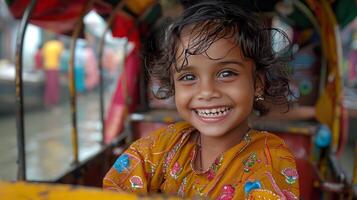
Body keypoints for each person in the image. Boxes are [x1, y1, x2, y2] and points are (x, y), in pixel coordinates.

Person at [103, 1, 299, 199]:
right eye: (188, 78)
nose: (206, 92)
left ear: (257, 83)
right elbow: (114, 188)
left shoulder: (270, 160)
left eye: (226, 73)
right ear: (173, 86)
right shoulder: (162, 146)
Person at [42, 37, 63, 107]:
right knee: (54, 86)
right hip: (54, 67)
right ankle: (52, 102)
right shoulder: (58, 45)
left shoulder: (46, 44)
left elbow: (43, 56)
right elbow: (61, 56)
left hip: (47, 67)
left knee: (49, 85)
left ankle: (47, 101)